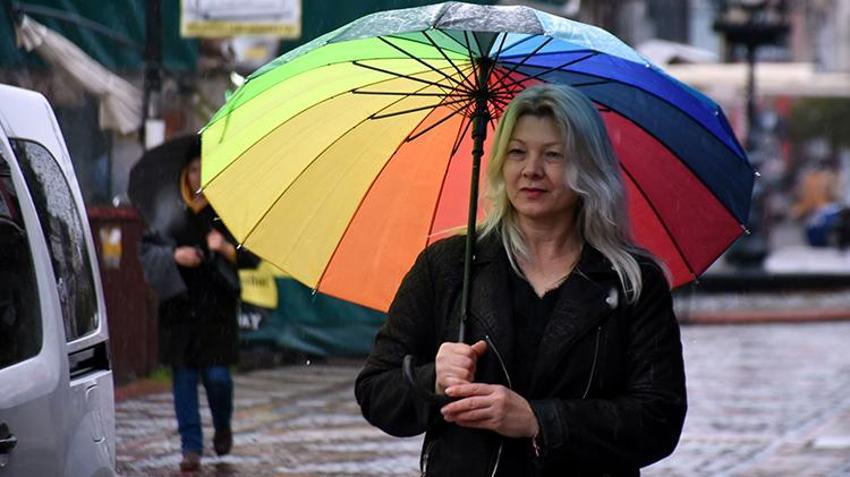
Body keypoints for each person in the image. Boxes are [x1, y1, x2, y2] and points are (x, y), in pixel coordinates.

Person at [355, 84, 687, 476]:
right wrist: (434, 379)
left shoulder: (633, 282)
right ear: (499, 163)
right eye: (517, 152)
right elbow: (376, 391)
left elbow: (658, 420)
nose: (531, 169)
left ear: (588, 167)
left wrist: (537, 420)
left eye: (553, 155)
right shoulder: (448, 266)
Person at [139, 138, 258, 472]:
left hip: (217, 311)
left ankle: (222, 426)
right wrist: (175, 256)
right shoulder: (167, 212)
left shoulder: (226, 212)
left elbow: (253, 259)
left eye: (204, 168)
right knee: (184, 380)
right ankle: (191, 447)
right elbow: (148, 252)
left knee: (218, 378)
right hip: (179, 310)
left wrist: (224, 248)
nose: (198, 175)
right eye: (193, 169)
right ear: (184, 173)